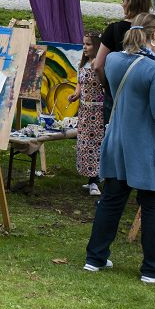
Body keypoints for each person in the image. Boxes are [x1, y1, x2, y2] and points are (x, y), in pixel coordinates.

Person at [84, 13, 155, 284]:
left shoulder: (113, 60)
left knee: (111, 202)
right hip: (146, 149)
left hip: (118, 143)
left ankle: (95, 258)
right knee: (153, 206)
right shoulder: (154, 69)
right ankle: (153, 269)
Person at [94, 0, 155, 123]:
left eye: (124, 0)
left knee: (113, 136)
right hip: (147, 93)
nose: (122, 4)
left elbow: (98, 65)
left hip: (117, 94)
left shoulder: (114, 29)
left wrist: (109, 85)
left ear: (131, 2)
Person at [68, 33, 104, 196]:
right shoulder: (83, 64)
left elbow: (105, 85)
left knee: (95, 145)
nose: (84, 47)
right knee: (85, 146)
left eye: (88, 44)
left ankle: (95, 180)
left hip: (97, 112)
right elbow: (79, 83)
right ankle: (91, 178)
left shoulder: (100, 64)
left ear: (96, 46)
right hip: (84, 111)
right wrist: (76, 94)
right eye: (84, 44)